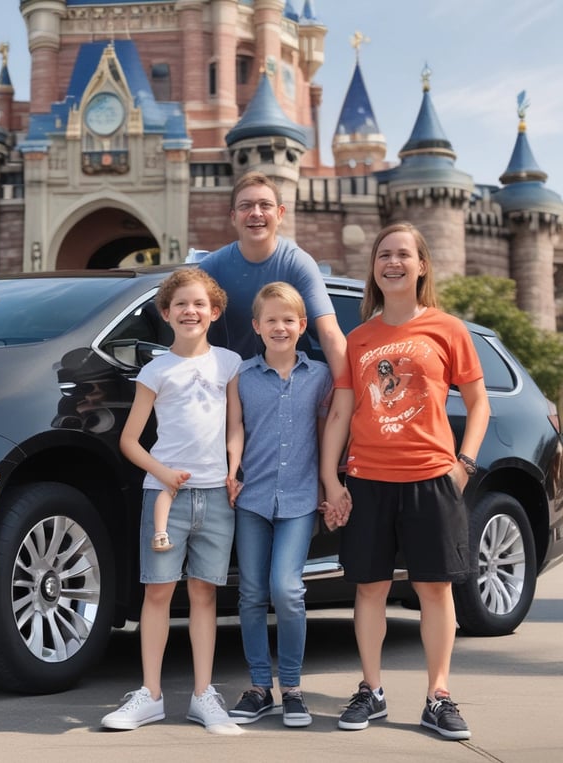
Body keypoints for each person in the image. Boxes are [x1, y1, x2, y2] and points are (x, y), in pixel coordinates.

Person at [319, 221, 490, 741]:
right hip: (368, 478)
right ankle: (371, 690)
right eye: (383, 255)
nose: (392, 262)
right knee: (369, 588)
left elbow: (478, 403)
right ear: (375, 267)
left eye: (402, 254)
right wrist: (332, 478)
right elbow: (342, 410)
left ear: (420, 266)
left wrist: (463, 464)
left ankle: (438, 696)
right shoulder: (359, 337)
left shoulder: (448, 329)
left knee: (434, 589)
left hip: (432, 476)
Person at [100, 268, 243, 734]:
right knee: (157, 592)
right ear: (166, 313)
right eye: (180, 304)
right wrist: (162, 474)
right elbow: (130, 440)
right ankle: (151, 695)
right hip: (164, 494)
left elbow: (235, 426)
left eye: (199, 304)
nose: (190, 311)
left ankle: (204, 695)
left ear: (214, 312)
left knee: (204, 593)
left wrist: (233, 468)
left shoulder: (228, 363)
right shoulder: (155, 369)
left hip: (216, 494)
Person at [225, 282, 333, 727]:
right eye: (271, 319)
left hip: (300, 498)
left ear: (302, 325)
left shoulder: (320, 375)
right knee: (251, 593)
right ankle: (257, 687)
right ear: (256, 326)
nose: (280, 327)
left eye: (288, 320)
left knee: (287, 590)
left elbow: (330, 427)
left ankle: (291, 687)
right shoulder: (242, 377)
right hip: (252, 497)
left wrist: (330, 483)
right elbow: (235, 429)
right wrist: (232, 471)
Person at [199, 170, 346, 378]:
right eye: (246, 206)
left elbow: (329, 334)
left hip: (292, 391)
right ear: (233, 217)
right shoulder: (211, 269)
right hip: (228, 393)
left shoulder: (297, 263)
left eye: (265, 205)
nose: (256, 213)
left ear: (280, 214)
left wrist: (343, 389)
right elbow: (187, 332)